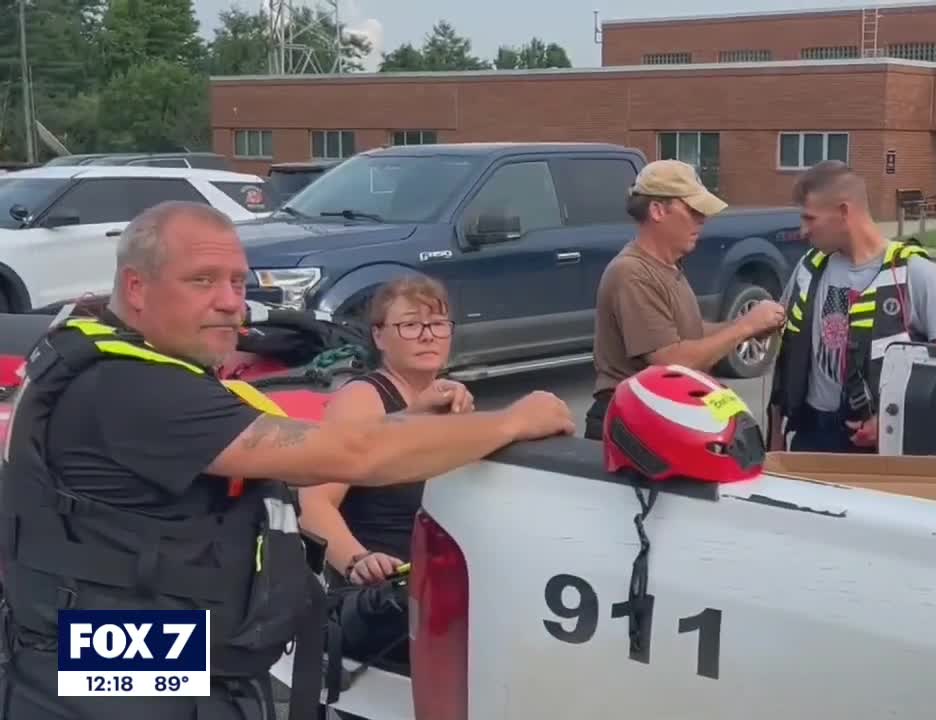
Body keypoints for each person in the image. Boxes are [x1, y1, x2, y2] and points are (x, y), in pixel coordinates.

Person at [0, 201, 572, 720]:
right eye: (202, 281)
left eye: (235, 282)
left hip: (116, 644)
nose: (229, 301)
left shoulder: (105, 354)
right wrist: (513, 421)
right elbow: (349, 453)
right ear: (136, 287)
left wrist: (413, 417)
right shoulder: (130, 389)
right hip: (112, 668)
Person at [298, 274, 468, 670]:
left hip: (435, 588)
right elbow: (314, 502)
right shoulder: (363, 399)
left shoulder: (449, 397)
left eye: (438, 323)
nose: (428, 335)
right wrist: (358, 560)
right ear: (378, 336)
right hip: (379, 600)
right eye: (410, 324)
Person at [767, 161, 936, 453]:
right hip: (809, 437)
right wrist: (775, 437)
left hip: (879, 448)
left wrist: (891, 418)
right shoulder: (808, 267)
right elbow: (785, 355)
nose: (803, 231)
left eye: (810, 219)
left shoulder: (914, 273)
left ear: (844, 212)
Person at [585, 159, 786, 440]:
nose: (702, 219)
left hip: (657, 415)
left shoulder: (667, 266)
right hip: (632, 424)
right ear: (657, 210)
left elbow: (690, 334)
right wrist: (746, 327)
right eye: (692, 210)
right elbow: (671, 362)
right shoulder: (632, 272)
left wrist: (744, 326)